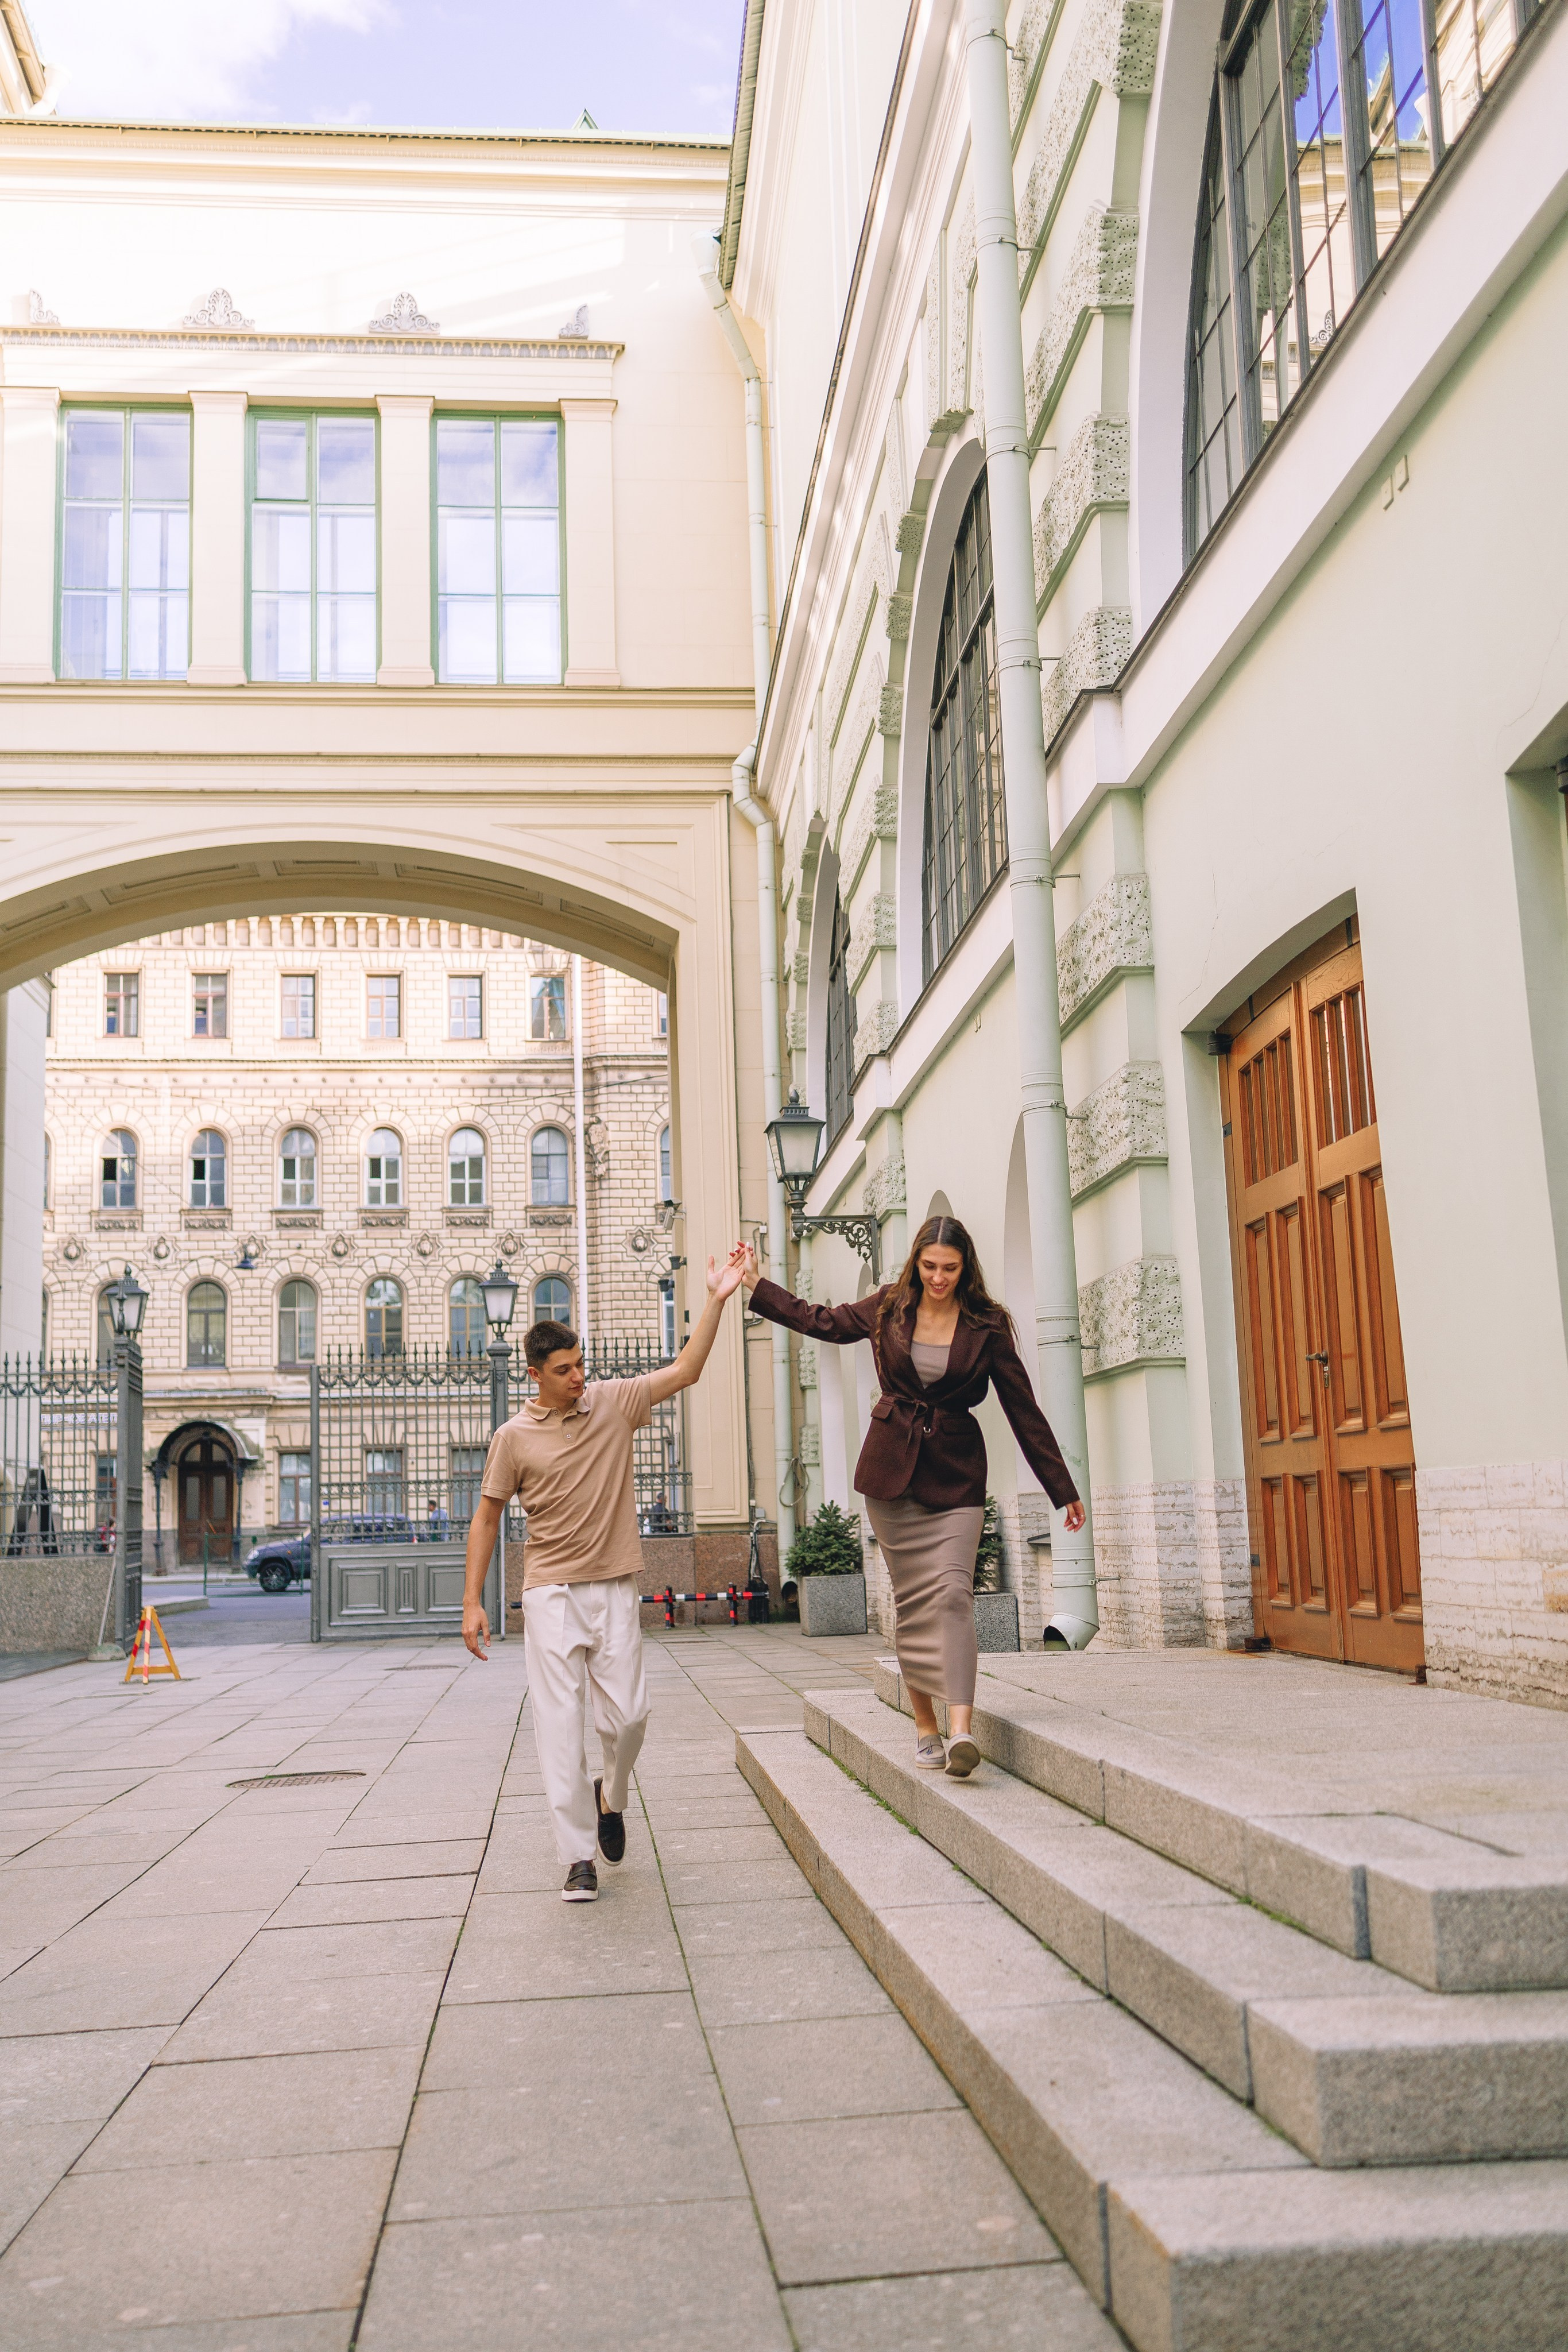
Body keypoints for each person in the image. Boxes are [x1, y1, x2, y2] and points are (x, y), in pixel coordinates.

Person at [742, 1217, 1085, 1777]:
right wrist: (758, 1287)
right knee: (915, 1608)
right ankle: (925, 1725)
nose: (939, 1277)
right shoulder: (887, 1307)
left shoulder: (987, 1324)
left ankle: (960, 1730)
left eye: (949, 1268)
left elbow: (1022, 1408)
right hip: (892, 1476)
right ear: (916, 1264)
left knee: (953, 1597)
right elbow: (823, 1322)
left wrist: (1060, 1487)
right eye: (929, 1267)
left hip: (956, 1478)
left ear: (965, 1267)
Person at [462, 1248, 746, 1902]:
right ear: (534, 1374)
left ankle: (610, 1796)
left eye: (581, 1364)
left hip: (615, 1584)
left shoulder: (615, 1404)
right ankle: (577, 1856)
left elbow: (687, 1368)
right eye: (563, 1370)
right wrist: (473, 1601)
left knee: (632, 1717)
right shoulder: (513, 1437)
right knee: (560, 1728)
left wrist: (718, 1298)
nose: (577, 1378)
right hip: (549, 1592)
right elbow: (485, 1520)